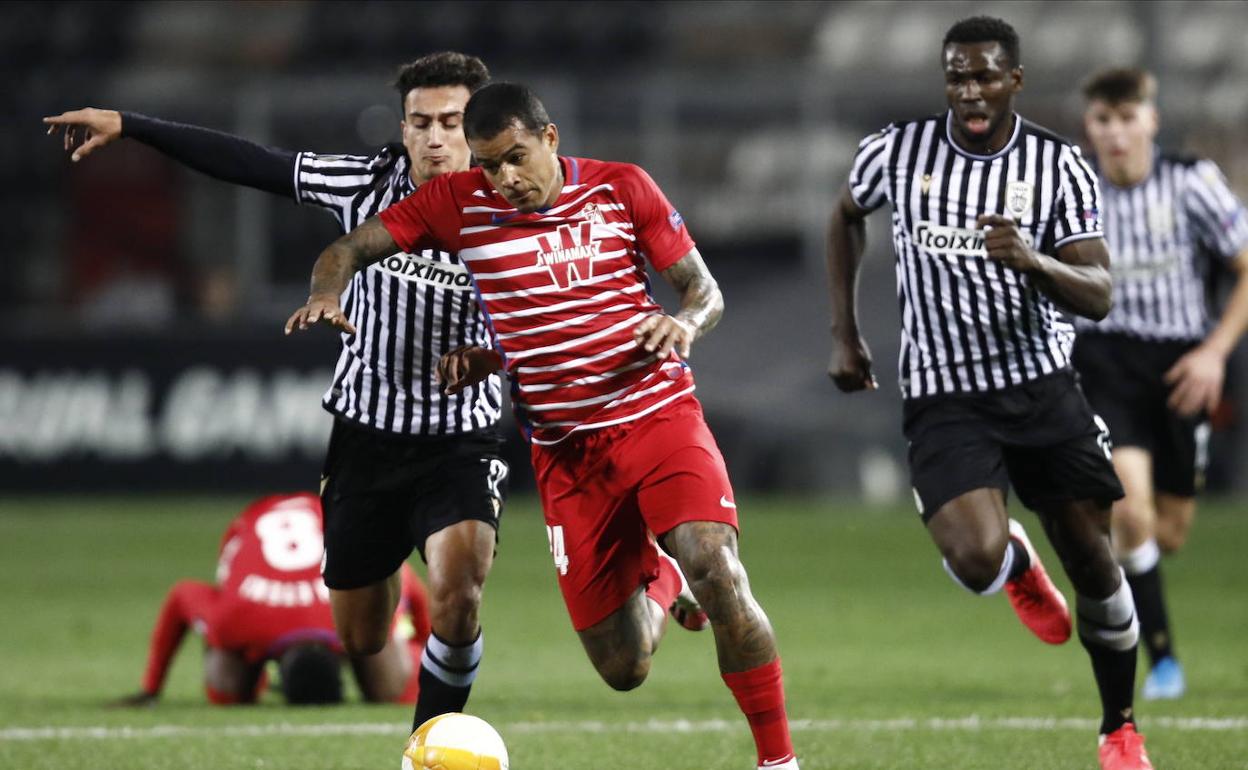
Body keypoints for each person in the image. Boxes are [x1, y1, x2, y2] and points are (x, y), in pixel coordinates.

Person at [285, 82, 799, 770]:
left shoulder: (623, 189)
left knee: (718, 565)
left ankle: (778, 761)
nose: (504, 178)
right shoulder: (456, 203)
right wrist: (326, 292)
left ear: (550, 139)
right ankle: (664, 578)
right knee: (624, 666)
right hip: (567, 454)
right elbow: (348, 249)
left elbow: (704, 292)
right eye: (489, 163)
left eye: (516, 158)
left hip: (656, 415)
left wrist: (684, 324)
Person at [45, 52, 510, 728]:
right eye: (420, 123)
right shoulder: (361, 184)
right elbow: (249, 162)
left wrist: (492, 358)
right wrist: (133, 125)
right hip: (367, 436)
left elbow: (558, 315)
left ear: (479, 128)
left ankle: (432, 740)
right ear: (403, 128)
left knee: (461, 591)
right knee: (361, 639)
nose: (435, 138)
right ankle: (386, 559)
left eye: (451, 122)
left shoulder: (518, 205)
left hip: (461, 436)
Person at [824, 17, 1152, 770]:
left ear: (1015, 81)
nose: (969, 91)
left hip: (1042, 389)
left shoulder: (1058, 165)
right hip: (944, 394)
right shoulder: (897, 151)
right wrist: (845, 332)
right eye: (957, 76)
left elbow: (1100, 293)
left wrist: (1035, 261)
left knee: (1097, 566)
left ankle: (1120, 727)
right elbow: (844, 216)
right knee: (974, 561)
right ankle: (1012, 564)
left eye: (985, 77)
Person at [1072, 68, 1248, 700]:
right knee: (1131, 509)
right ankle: (1163, 658)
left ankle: (1135, 588)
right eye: (1103, 120)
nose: (1116, 133)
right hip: (1105, 360)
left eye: (1127, 118)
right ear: (1089, 126)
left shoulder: (1191, 183)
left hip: (1181, 368)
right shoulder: (1075, 187)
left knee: (1168, 531)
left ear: (1151, 119)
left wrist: (1215, 353)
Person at [117, 493, 430, 706]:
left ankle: (250, 674)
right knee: (391, 687)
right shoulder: (233, 620)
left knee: (226, 692)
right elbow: (402, 576)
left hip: (252, 605)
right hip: (332, 584)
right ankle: (417, 659)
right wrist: (428, 651)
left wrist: (150, 689)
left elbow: (181, 594)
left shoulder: (234, 620)